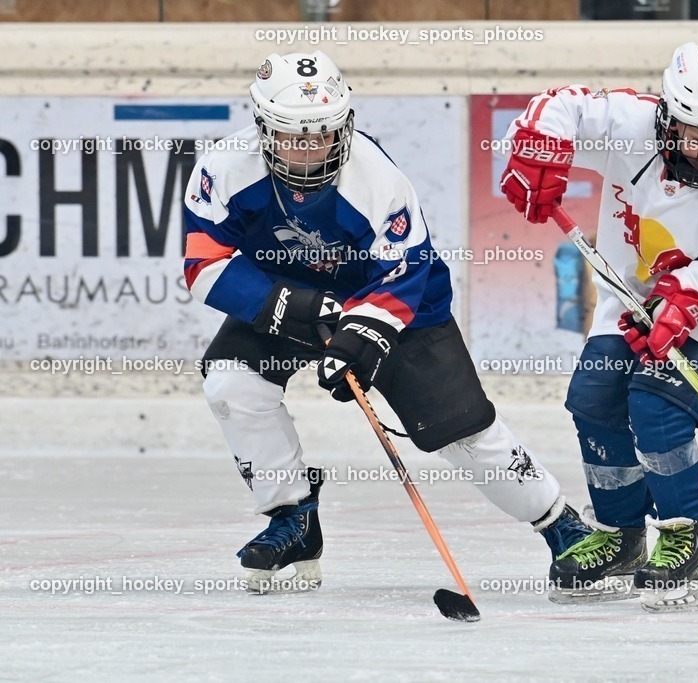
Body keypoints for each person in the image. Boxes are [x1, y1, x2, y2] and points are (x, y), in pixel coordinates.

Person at [182, 51, 589, 592]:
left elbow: (404, 271)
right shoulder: (223, 167)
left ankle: (560, 523)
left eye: (322, 134)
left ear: (344, 125)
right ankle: (292, 518)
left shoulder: (375, 177)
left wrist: (361, 337)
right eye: (291, 135)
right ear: (263, 128)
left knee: (461, 431)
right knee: (232, 384)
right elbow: (204, 264)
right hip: (288, 294)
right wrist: (295, 307)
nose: (308, 149)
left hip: (398, 305)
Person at [500, 42, 698, 610]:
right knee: (593, 400)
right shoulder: (629, 123)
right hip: (627, 300)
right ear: (667, 117)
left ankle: (686, 536)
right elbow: (558, 106)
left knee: (657, 410)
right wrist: (537, 153)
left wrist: (686, 297)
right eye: (697, 134)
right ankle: (621, 534)